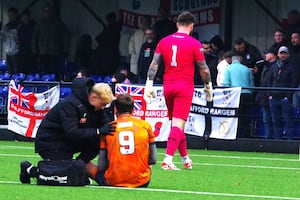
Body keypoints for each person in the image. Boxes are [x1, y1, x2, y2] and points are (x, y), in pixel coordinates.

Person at [143, 11, 212, 170]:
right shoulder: (194, 43)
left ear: (177, 25)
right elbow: (203, 68)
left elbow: (154, 64)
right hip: (184, 87)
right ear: (192, 25)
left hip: (168, 86)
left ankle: (185, 159)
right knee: (178, 125)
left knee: (177, 124)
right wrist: (208, 86)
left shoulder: (164, 41)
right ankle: (167, 159)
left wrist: (149, 83)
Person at [19, 78, 116, 184]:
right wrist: (98, 131)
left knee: (99, 139)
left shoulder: (95, 108)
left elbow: (106, 124)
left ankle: (79, 166)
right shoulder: (70, 105)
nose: (103, 108)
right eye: (102, 104)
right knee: (61, 176)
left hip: (67, 142)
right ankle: (30, 170)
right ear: (93, 97)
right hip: (51, 143)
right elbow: (72, 133)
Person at [86, 93, 157, 187]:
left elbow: (102, 166)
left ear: (115, 109)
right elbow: (153, 159)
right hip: (141, 182)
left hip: (113, 182)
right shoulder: (145, 125)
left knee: (83, 163)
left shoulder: (109, 128)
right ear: (133, 110)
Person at [32, 3, 70, 77]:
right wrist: (35, 51)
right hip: (43, 53)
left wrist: (65, 50)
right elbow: (34, 38)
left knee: (54, 72)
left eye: (48, 11)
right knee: (44, 72)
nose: (47, 13)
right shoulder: (39, 24)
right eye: (45, 12)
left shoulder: (58, 23)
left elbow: (66, 35)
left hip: (55, 53)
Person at [221, 54, 255, 138]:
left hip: (234, 95)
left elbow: (225, 84)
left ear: (232, 60)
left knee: (235, 117)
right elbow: (252, 85)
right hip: (247, 94)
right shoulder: (247, 69)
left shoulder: (228, 69)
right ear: (241, 60)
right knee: (246, 117)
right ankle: (245, 136)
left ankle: (235, 135)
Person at [268, 46, 297, 140]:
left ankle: (289, 142)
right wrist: (270, 95)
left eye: (285, 53)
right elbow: (269, 81)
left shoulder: (292, 67)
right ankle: (277, 141)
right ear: (278, 54)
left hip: (285, 98)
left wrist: (288, 96)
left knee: (288, 120)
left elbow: (294, 82)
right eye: (281, 53)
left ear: (288, 54)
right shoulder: (273, 67)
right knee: (276, 121)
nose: (283, 55)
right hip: (274, 97)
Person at [255, 47, 277, 139]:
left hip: (272, 96)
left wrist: (270, 94)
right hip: (264, 97)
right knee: (266, 120)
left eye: (267, 53)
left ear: (273, 55)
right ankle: (268, 138)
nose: (265, 55)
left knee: (274, 119)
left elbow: (274, 81)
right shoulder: (265, 66)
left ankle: (275, 139)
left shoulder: (276, 66)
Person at [0, 7, 19, 74]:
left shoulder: (18, 25)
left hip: (16, 52)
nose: (11, 17)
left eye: (12, 15)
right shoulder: (6, 25)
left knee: (17, 71)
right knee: (9, 71)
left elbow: (17, 38)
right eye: (9, 15)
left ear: (15, 15)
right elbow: (3, 39)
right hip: (8, 52)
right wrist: (2, 33)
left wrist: (9, 31)